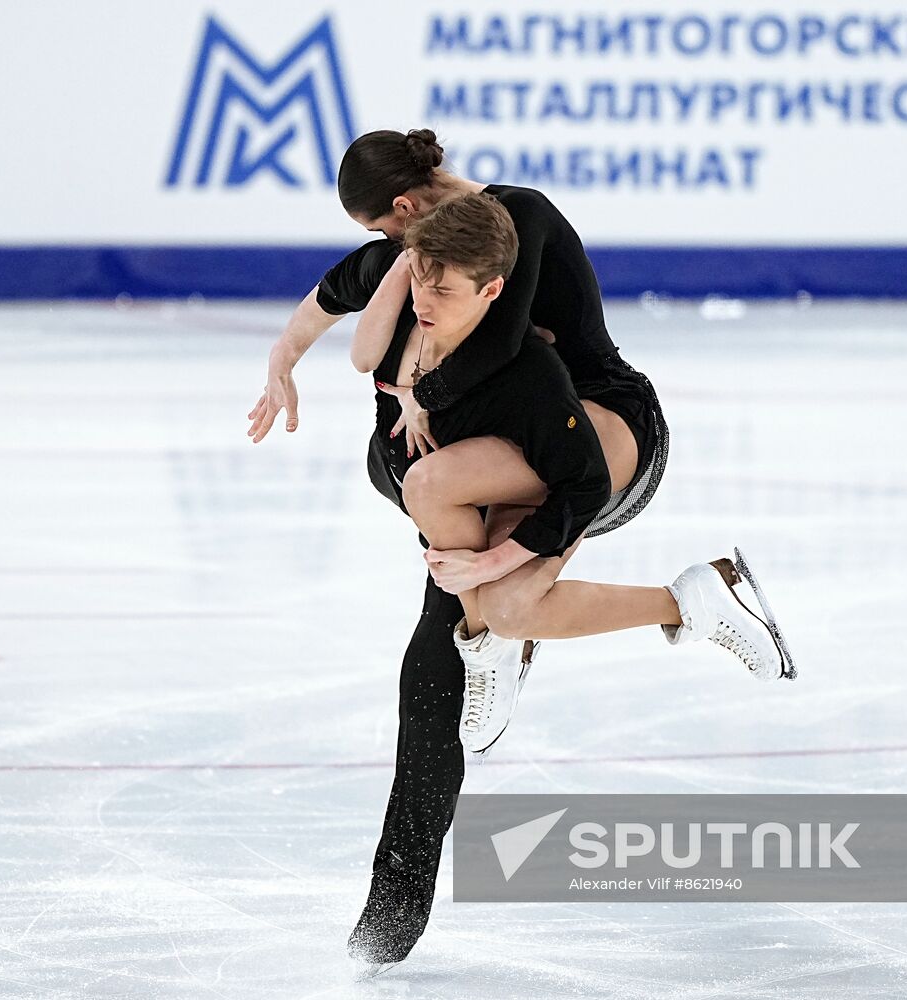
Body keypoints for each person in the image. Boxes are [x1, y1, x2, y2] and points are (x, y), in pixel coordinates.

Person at [244, 131, 794, 976]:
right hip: (493, 466)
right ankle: (639, 611)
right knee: (465, 613)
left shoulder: (508, 234)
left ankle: (498, 641)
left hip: (589, 440)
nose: (411, 274)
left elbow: (502, 355)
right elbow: (332, 303)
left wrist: (413, 387)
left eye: (408, 252)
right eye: (405, 264)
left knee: (466, 611)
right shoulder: (414, 261)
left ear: (408, 208)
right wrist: (287, 360)